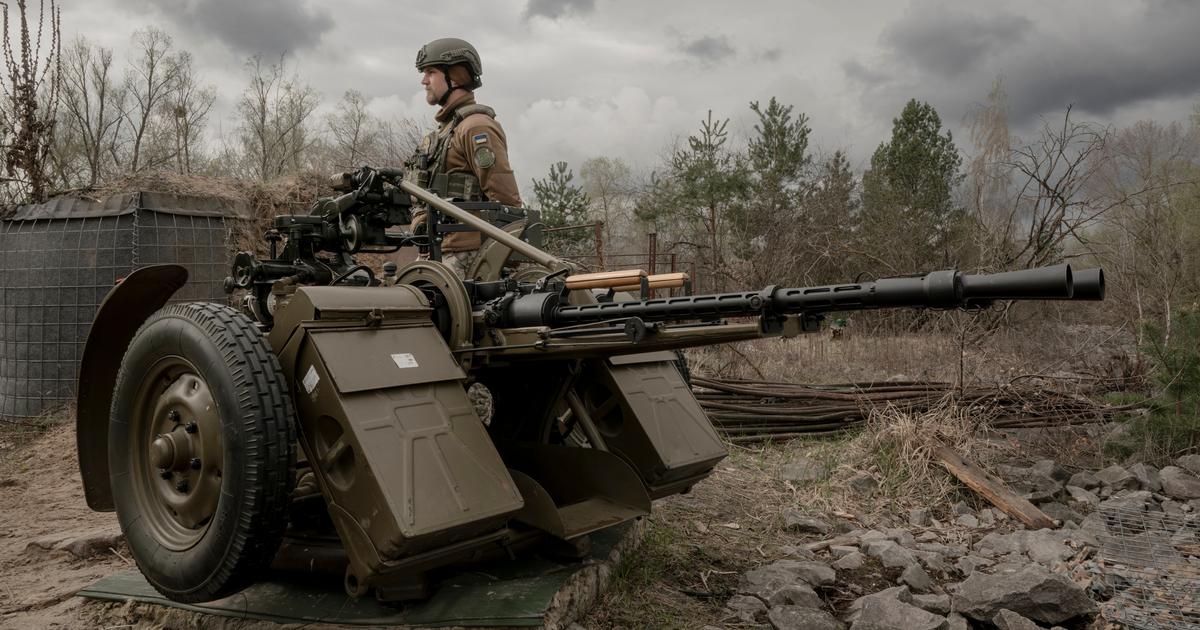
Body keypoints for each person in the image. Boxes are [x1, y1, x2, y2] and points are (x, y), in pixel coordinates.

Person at [407, 38, 522, 279]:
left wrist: (494, 265)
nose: (423, 80)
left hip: (467, 255)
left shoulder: (476, 128)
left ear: (456, 76)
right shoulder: (447, 131)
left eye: (431, 72)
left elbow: (506, 203)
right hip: (441, 250)